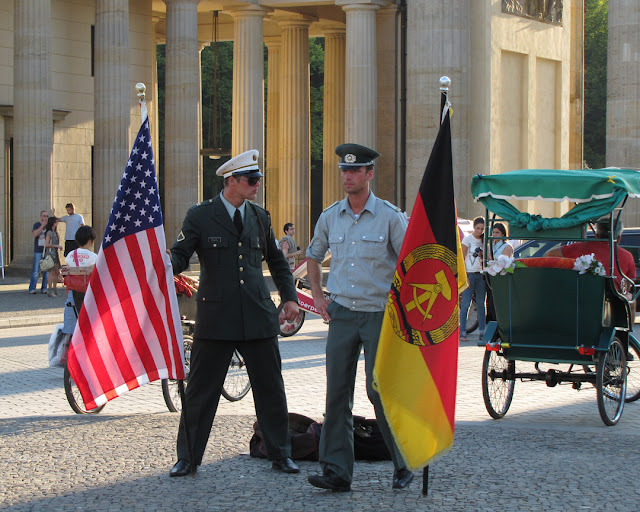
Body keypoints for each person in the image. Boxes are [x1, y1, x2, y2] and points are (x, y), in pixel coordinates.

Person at [168, 149, 300, 478]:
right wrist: (162, 266)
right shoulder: (200, 215)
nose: (257, 184)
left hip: (258, 315)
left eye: (258, 179)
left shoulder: (260, 216)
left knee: (271, 388)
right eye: (251, 180)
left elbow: (278, 263)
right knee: (200, 392)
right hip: (215, 318)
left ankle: (281, 453)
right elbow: (180, 256)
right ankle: (187, 458)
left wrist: (289, 298)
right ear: (232, 181)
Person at [305, 143, 412, 492]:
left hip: (379, 314)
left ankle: (403, 463)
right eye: (344, 171)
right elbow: (314, 255)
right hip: (342, 314)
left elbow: (409, 263)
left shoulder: (389, 216)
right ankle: (337, 471)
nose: (347, 176)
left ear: (369, 174)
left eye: (355, 171)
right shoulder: (330, 215)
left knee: (380, 390)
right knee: (337, 393)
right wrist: (318, 297)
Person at [545, 219, 636, 291]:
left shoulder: (578, 247)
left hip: (579, 293)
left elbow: (549, 254)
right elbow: (628, 284)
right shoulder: (627, 256)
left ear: (596, 235)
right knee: (630, 298)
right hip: (612, 298)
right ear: (619, 238)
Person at [460, 217, 486, 341]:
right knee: (466, 303)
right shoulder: (467, 239)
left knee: (481, 303)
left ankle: (482, 331)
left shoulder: (484, 240)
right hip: (469, 273)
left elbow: (487, 257)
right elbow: (462, 257)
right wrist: (464, 276)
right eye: (477, 228)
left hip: (480, 273)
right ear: (473, 227)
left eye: (482, 229)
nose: (479, 231)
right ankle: (463, 332)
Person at [64, 225, 98, 315]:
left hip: (73, 292)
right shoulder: (93, 256)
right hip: (88, 292)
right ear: (90, 240)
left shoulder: (70, 255)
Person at [486, 222, 513, 322]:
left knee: (498, 301)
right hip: (490, 275)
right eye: (493, 232)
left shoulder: (507, 246)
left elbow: (502, 262)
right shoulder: (490, 245)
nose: (494, 235)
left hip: (501, 276)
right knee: (489, 301)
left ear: (503, 234)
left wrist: (489, 257)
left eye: (497, 232)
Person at [28, 210, 50, 294]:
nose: (45, 217)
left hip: (47, 250)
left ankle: (44, 288)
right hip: (38, 250)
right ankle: (32, 288)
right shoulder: (36, 225)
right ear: (40, 217)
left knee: (46, 271)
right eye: (44, 216)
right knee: (35, 270)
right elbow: (35, 234)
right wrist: (42, 226)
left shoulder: (49, 226)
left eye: (47, 216)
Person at [43, 216, 64, 297]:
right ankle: (50, 290)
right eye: (56, 222)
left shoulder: (55, 232)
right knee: (51, 273)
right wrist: (57, 246)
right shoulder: (49, 232)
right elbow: (47, 244)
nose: (57, 223)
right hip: (51, 253)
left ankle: (55, 289)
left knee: (56, 272)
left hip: (55, 254)